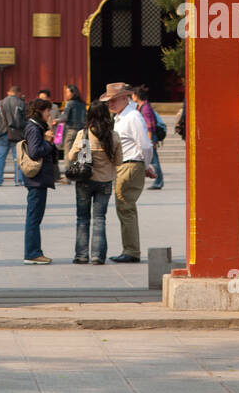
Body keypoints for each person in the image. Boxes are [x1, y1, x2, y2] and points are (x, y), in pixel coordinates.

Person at [100, 81, 155, 263]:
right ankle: (130, 248)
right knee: (125, 208)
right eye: (109, 101)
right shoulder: (121, 117)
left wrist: (145, 165)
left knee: (125, 207)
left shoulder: (132, 117)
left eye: (114, 100)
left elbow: (145, 145)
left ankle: (131, 251)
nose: (110, 104)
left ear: (125, 98)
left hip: (130, 164)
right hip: (126, 164)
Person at [67, 100, 123, 264]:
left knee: (82, 219)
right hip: (105, 181)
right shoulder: (113, 135)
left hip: (85, 180)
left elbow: (71, 156)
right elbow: (119, 161)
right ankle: (98, 255)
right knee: (100, 219)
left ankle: (81, 255)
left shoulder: (83, 134)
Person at [22, 97, 57, 264]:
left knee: (34, 217)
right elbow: (35, 152)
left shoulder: (36, 127)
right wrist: (49, 142)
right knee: (34, 218)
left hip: (38, 179)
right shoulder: (34, 128)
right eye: (48, 110)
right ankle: (32, 253)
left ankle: (33, 251)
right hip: (37, 179)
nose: (49, 114)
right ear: (40, 111)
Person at [0, 85, 26, 187]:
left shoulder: (0, 103)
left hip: (2, 132)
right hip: (16, 133)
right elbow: (24, 118)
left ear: (8, 92)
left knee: (1, 157)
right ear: (18, 93)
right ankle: (18, 180)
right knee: (17, 157)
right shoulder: (21, 103)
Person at [131, 85, 164, 189]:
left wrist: (150, 140)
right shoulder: (141, 106)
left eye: (132, 94)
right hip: (147, 137)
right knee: (153, 160)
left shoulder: (145, 108)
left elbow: (149, 126)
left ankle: (158, 181)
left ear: (136, 96)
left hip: (150, 137)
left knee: (154, 161)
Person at [62, 84, 87, 159]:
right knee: (81, 155)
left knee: (69, 154)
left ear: (73, 93)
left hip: (71, 131)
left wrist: (56, 120)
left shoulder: (69, 103)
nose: (66, 95)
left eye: (67, 92)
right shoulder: (83, 104)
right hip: (82, 131)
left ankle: (69, 170)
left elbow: (64, 117)